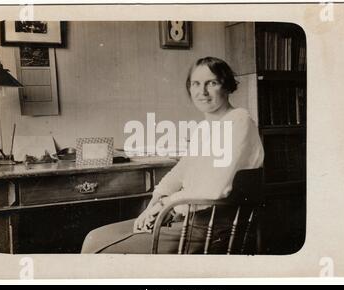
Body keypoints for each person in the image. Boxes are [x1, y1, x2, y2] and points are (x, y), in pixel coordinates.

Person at [81, 56, 264, 254]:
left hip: (213, 229)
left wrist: (166, 205)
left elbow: (214, 189)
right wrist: (154, 202)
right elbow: (180, 172)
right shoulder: (204, 128)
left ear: (227, 86)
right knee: (94, 236)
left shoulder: (239, 121)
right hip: (190, 220)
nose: (202, 92)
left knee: (95, 247)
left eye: (212, 83)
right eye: (196, 84)